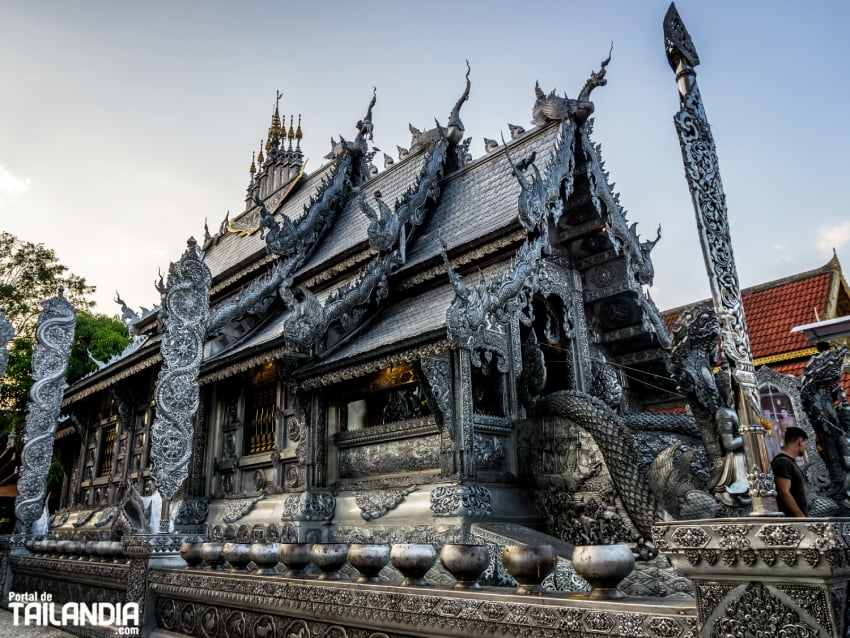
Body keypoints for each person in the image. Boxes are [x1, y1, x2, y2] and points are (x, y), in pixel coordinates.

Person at [771, 427, 809, 517]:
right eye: (805, 444)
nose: (805, 448)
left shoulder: (789, 462)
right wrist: (801, 517)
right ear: (800, 441)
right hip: (793, 522)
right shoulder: (783, 462)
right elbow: (783, 492)